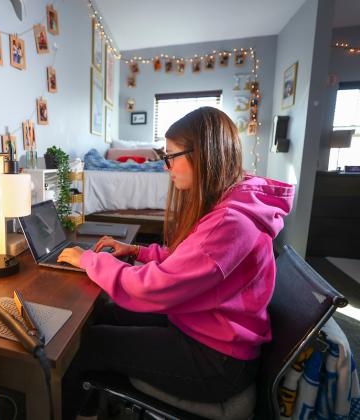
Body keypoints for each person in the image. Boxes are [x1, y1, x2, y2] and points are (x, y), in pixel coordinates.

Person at [57, 106, 294, 419]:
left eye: (170, 156)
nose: (165, 166)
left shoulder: (230, 223)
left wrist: (88, 260)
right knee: (106, 312)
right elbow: (191, 259)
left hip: (217, 362)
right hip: (206, 329)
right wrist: (136, 252)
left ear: (204, 154)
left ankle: (76, 409)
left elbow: (153, 288)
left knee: (92, 342)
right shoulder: (233, 202)